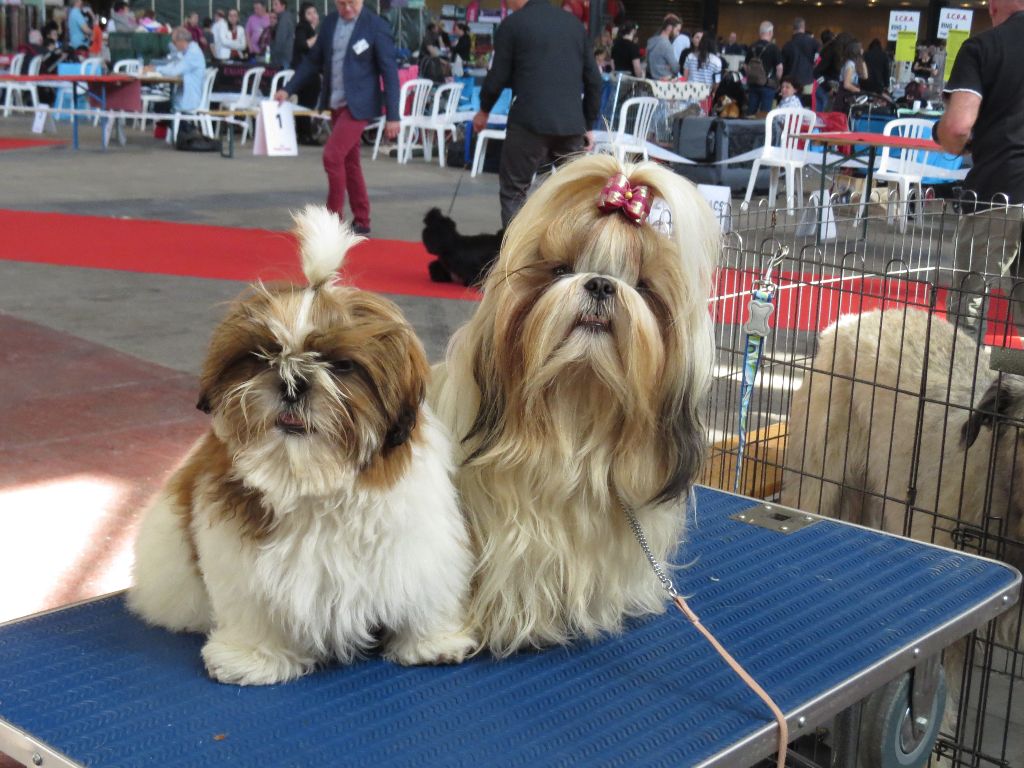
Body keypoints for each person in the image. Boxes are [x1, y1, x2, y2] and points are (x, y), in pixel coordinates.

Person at [936, 0, 1024, 339]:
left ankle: (965, 390)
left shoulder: (983, 46)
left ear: (994, 7)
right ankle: (1013, 385)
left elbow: (957, 128)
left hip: (998, 191)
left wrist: (942, 134)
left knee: (968, 309)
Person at [471, 0, 602, 226]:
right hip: (571, 125)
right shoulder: (574, 26)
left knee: (514, 191)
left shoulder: (513, 25)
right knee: (574, 193)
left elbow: (498, 76)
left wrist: (484, 110)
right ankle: (570, 254)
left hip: (528, 122)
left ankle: (517, 256)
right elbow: (594, 81)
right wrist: (589, 124)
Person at [275, 0, 400, 235]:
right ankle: (362, 220)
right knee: (349, 161)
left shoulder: (376, 26)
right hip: (336, 103)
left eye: (351, 3)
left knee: (332, 156)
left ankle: (332, 221)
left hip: (360, 105)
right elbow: (312, 60)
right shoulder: (331, 22)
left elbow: (389, 71)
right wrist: (288, 88)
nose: (347, 8)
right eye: (342, 3)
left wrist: (394, 116)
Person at [143, 26, 206, 135]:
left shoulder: (192, 53)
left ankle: (182, 130)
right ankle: (179, 130)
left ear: (181, 42)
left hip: (190, 98)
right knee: (162, 106)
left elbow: (174, 71)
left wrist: (156, 69)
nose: (173, 45)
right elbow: (174, 66)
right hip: (187, 92)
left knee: (160, 107)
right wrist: (157, 68)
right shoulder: (189, 51)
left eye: (174, 42)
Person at [293, 1, 320, 144]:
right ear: (303, 16)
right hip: (305, 72)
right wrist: (317, 37)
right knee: (306, 104)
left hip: (309, 71)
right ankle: (305, 135)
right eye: (309, 13)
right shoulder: (302, 27)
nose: (313, 16)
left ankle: (304, 134)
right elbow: (302, 45)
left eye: (314, 12)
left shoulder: (311, 29)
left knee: (305, 103)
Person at [745, 21, 782, 115]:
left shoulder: (752, 46)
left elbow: (745, 66)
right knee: (765, 114)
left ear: (760, 32)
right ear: (770, 33)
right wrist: (777, 81)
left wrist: (751, 76)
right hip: (768, 86)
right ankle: (762, 129)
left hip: (753, 85)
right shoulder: (774, 48)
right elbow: (779, 69)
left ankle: (747, 129)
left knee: (751, 112)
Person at [780, 17, 819, 98]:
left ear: (793, 28)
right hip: (808, 82)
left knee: (791, 108)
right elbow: (817, 61)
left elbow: (782, 66)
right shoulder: (814, 43)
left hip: (791, 84)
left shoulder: (787, 45)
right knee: (806, 108)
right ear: (804, 27)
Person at [832, 37, 866, 113]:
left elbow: (865, 76)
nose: (862, 50)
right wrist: (860, 91)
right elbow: (846, 85)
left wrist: (862, 58)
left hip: (849, 95)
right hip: (845, 96)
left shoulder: (854, 63)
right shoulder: (850, 64)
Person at [645, 14, 680, 79]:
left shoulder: (651, 40)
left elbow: (647, 61)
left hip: (650, 78)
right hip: (663, 81)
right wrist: (668, 67)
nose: (678, 34)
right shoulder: (666, 44)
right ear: (669, 27)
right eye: (677, 30)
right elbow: (675, 68)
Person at [271, 0, 295, 67]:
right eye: (273, 4)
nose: (273, 7)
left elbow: (280, 40)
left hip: (283, 57)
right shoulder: (284, 17)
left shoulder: (284, 19)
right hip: (285, 56)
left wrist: (273, 54)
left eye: (276, 4)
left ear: (283, 6)